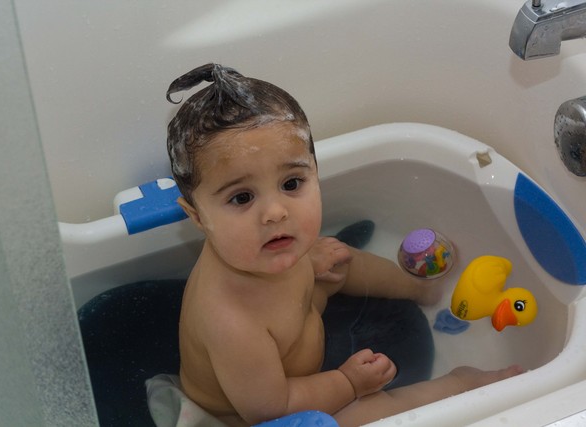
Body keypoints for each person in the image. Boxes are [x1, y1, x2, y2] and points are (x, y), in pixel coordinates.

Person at [165, 63, 522, 427]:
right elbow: (272, 409)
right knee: (365, 414)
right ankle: (461, 385)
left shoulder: (262, 247)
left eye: (291, 184)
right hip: (261, 412)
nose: (275, 212)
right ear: (197, 216)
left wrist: (312, 261)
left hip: (296, 341)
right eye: (242, 198)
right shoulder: (231, 322)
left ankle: (419, 289)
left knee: (338, 260)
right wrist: (348, 383)